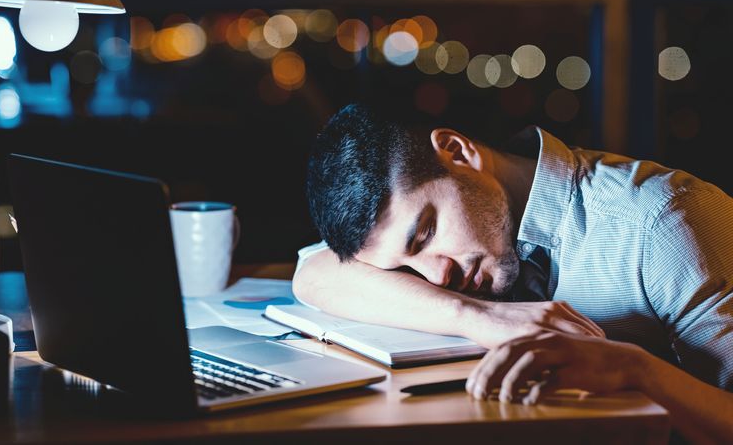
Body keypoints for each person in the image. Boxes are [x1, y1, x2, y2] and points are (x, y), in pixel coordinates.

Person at [293, 104, 733, 443]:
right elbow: (312, 273)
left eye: (426, 233)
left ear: (457, 152)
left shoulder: (666, 224)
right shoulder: (459, 264)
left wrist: (637, 371)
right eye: (404, 267)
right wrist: (478, 318)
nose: (436, 275)